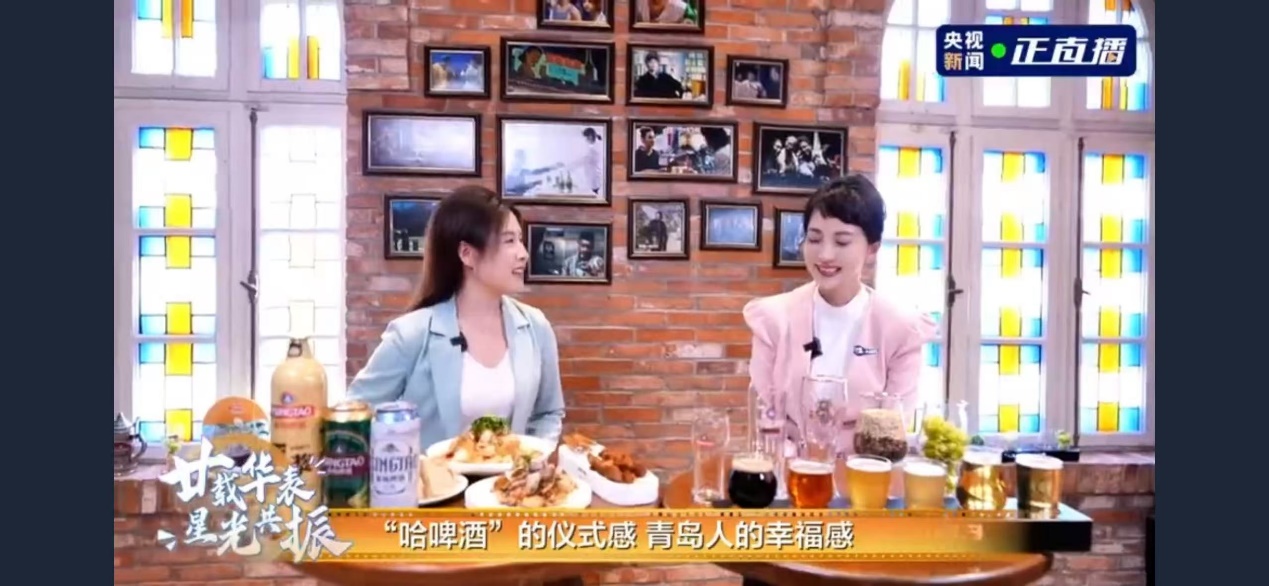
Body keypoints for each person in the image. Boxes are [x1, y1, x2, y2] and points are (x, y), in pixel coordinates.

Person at [346, 186, 565, 449]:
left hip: (508, 476)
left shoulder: (535, 327)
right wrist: (398, 460)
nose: (523, 253)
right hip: (432, 476)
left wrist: (534, 455)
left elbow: (548, 413)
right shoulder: (412, 334)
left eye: (520, 240)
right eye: (509, 241)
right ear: (467, 254)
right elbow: (354, 417)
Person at [742, 175, 937, 457]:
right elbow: (766, 418)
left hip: (865, 474)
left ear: (872, 249)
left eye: (842, 242)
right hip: (789, 473)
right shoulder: (773, 318)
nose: (825, 254)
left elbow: (893, 431)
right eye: (814, 239)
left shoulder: (901, 328)